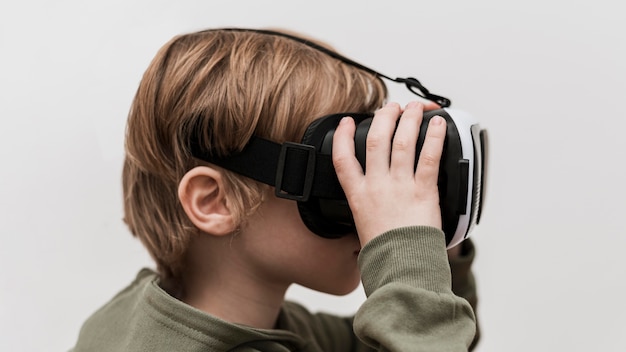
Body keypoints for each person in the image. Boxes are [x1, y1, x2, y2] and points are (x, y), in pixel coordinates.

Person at [71, 28, 480, 351]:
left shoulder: (251, 325)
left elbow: (411, 336)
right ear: (215, 202)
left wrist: (434, 227)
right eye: (339, 171)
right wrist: (403, 246)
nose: (370, 196)